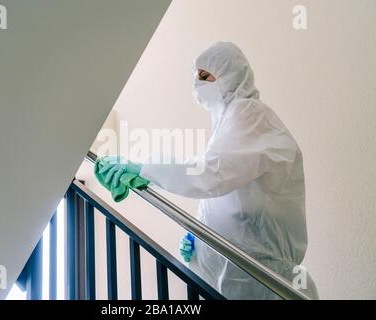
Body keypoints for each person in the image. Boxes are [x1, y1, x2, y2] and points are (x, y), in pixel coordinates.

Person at [99, 42, 318, 299]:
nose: (197, 84)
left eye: (205, 76)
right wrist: (201, 241)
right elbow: (225, 195)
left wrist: (145, 168)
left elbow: (212, 175)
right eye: (196, 76)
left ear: (231, 74)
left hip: (266, 279)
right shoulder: (228, 124)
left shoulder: (251, 114)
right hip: (241, 272)